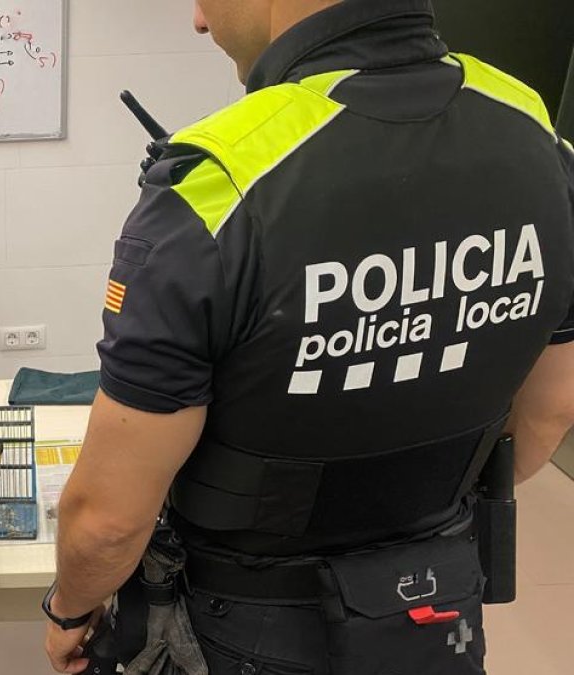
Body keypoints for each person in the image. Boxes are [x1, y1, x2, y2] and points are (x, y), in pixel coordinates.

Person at [45, 0, 574, 673]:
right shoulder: (535, 132)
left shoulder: (217, 190)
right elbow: (554, 405)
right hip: (432, 612)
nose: (198, 22)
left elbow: (108, 520)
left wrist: (71, 607)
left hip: (245, 632)